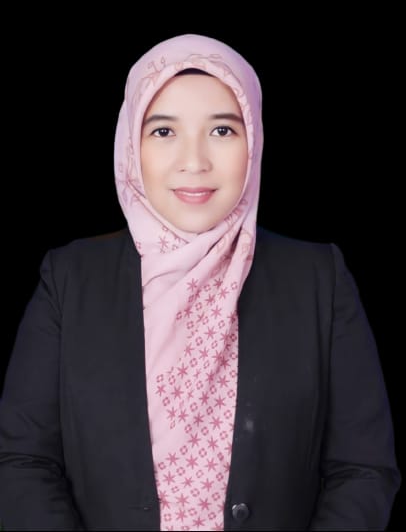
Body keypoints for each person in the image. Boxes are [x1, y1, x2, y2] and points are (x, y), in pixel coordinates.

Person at [0, 34, 401, 531]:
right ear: (131, 145)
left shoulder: (318, 279)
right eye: (164, 131)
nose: (194, 161)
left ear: (253, 142)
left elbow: (362, 469)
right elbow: (22, 461)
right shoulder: (70, 279)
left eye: (223, 130)